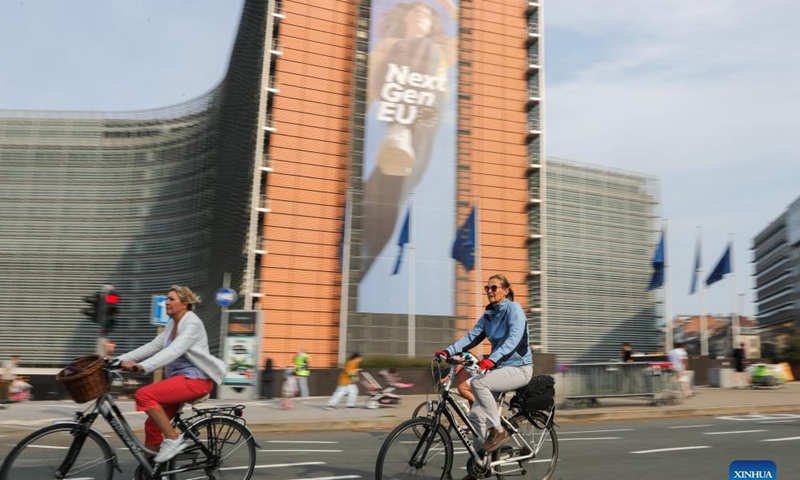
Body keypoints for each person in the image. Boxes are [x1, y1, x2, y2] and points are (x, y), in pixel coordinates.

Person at [361, 0, 459, 274]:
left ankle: (401, 130)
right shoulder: (388, 46)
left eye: (428, 14)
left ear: (433, 24)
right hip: (391, 105)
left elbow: (469, 32)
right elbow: (366, 91)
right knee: (378, 195)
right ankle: (359, 259)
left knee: (399, 186)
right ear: (406, 17)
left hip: (427, 114)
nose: (421, 15)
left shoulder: (440, 49)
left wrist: (445, 5)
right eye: (417, 11)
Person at [117, 285, 226, 464]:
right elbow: (152, 347)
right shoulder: (172, 323)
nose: (166, 302)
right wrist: (117, 361)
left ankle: (173, 439)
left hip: (196, 380)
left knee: (143, 395)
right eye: (167, 299)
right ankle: (150, 471)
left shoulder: (192, 323)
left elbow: (173, 351)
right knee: (152, 425)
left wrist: (142, 367)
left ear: (184, 304)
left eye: (171, 299)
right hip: (178, 381)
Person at [435, 274, 533, 463]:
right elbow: (470, 338)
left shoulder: (514, 309)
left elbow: (513, 340)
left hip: (520, 368)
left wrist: (492, 360)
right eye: (487, 288)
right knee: (474, 415)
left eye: (494, 288)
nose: (489, 291)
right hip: (500, 370)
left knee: (478, 383)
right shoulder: (489, 315)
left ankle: (498, 430)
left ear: (505, 290)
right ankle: (482, 461)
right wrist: (447, 352)